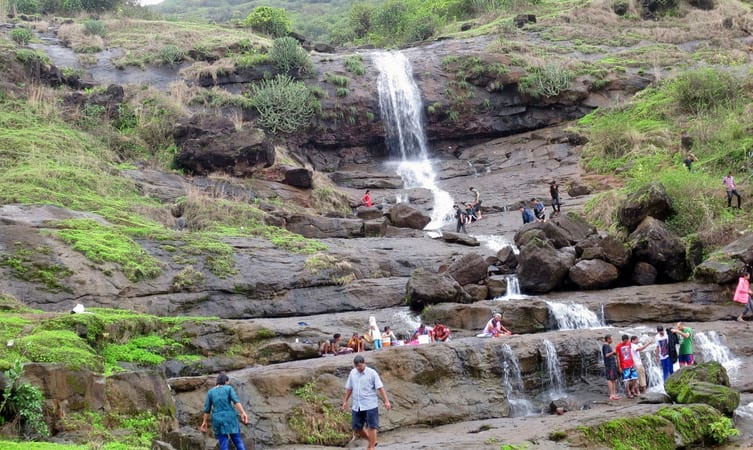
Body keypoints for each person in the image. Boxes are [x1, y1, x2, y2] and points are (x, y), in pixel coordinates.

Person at [342, 355, 391, 450]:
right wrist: (345, 401)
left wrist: (386, 401)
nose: (359, 368)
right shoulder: (353, 373)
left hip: (370, 404)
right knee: (357, 427)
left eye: (360, 366)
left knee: (372, 426)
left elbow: (380, 387)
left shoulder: (372, 373)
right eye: (357, 367)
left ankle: (371, 447)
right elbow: (349, 388)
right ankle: (371, 440)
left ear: (364, 363)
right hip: (357, 405)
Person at [200, 373, 249, 450]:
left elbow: (207, 409)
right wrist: (243, 412)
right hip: (230, 418)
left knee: (223, 443)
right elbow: (236, 401)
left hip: (218, 419)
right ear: (225, 381)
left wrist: (204, 422)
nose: (228, 383)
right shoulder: (229, 388)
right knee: (238, 441)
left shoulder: (210, 392)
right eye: (228, 382)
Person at [615, 334, 639, 398]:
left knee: (635, 377)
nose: (625, 342)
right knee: (626, 379)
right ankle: (628, 392)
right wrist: (619, 366)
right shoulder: (618, 346)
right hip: (624, 365)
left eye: (626, 340)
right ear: (622, 340)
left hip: (631, 363)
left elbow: (631, 352)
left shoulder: (629, 344)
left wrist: (633, 362)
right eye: (624, 341)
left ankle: (632, 390)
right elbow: (617, 357)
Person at [602, 335, 620, 401]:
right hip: (609, 365)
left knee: (614, 379)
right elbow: (606, 355)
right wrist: (613, 352)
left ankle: (614, 394)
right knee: (610, 379)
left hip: (612, 364)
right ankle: (611, 395)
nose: (612, 340)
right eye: (611, 339)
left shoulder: (608, 346)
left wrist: (614, 353)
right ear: (608, 339)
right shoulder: (605, 346)